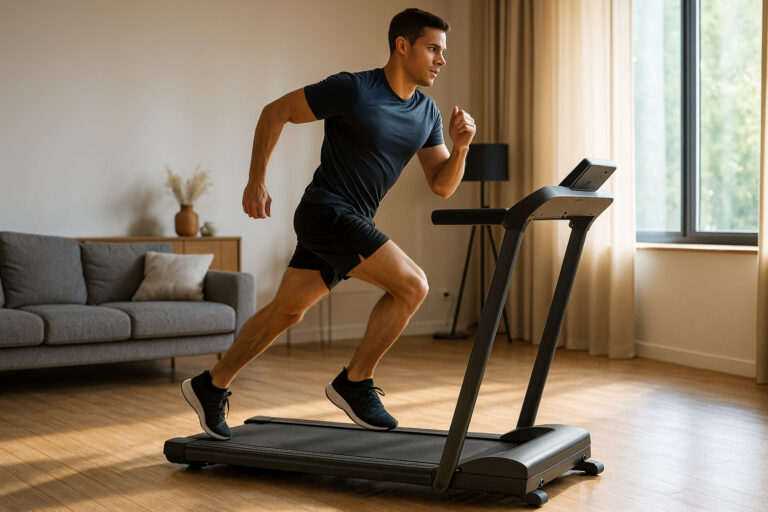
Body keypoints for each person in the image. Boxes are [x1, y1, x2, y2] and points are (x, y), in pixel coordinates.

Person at [182, 7, 476, 440]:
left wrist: (462, 147)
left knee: (286, 311)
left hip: (349, 220)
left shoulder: (427, 114)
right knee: (413, 285)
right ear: (402, 45)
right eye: (433, 48)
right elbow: (274, 112)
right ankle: (354, 383)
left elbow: (441, 185)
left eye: (443, 51)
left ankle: (211, 385)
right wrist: (255, 180)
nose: (441, 59)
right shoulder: (354, 89)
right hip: (326, 212)